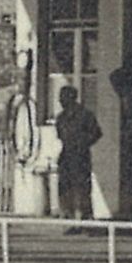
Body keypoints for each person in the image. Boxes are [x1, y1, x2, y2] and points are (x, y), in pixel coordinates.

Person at [53, 84, 102, 222]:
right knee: (65, 187)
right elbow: (60, 135)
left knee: (82, 188)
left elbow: (96, 133)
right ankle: (68, 217)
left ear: (72, 98)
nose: (60, 101)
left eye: (63, 97)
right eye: (60, 97)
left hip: (81, 156)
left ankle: (85, 218)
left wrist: (83, 142)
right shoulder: (61, 118)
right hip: (66, 156)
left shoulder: (85, 115)